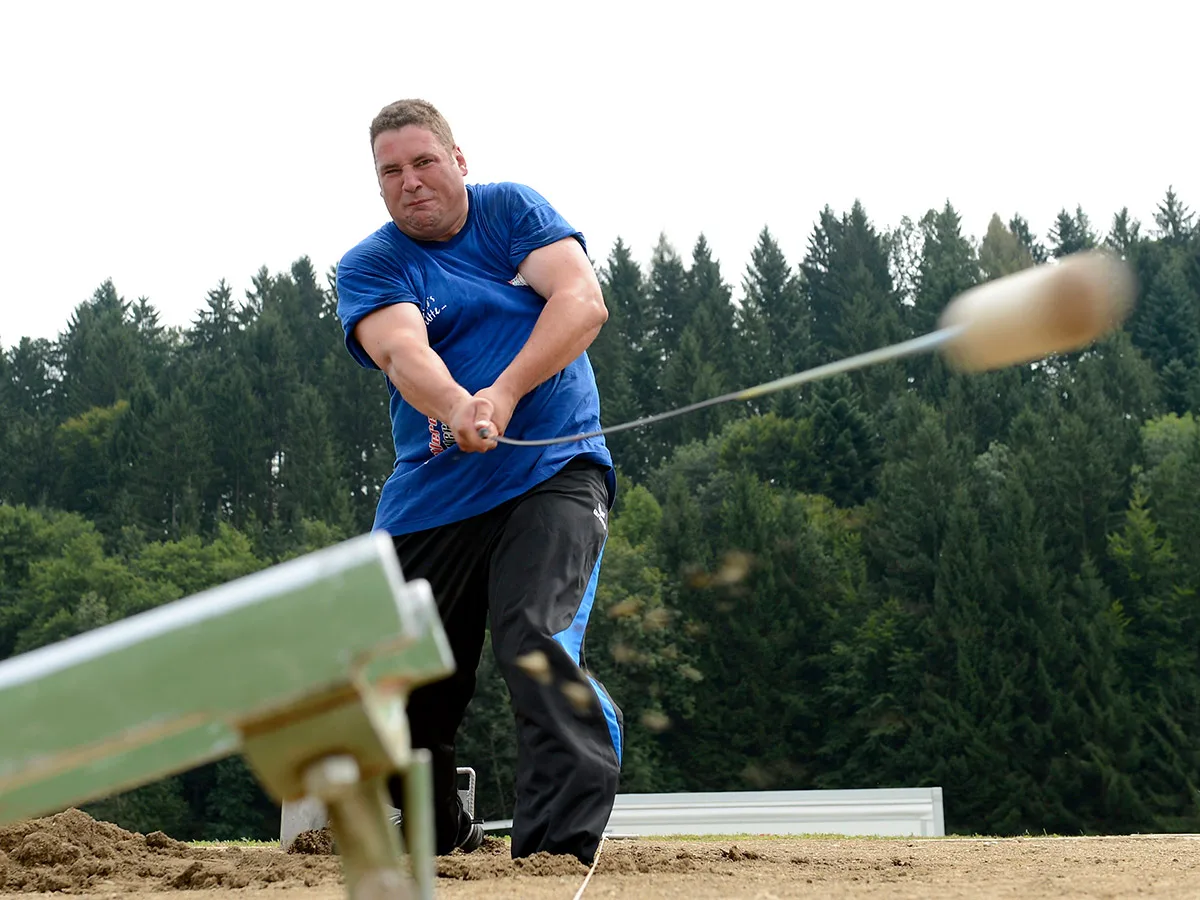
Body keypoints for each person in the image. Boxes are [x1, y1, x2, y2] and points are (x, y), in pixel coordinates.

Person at [334, 98, 622, 866]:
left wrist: (503, 393)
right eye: (390, 172)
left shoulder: (511, 214)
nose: (411, 182)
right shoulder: (373, 263)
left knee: (533, 636)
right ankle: (438, 834)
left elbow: (580, 300)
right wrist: (458, 406)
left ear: (459, 161)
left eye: (424, 162)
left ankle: (556, 855)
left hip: (551, 472)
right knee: (390, 683)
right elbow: (402, 351)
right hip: (434, 495)